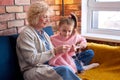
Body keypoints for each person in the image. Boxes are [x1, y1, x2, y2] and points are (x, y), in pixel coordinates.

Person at [16, 1, 81, 80]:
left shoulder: (44, 34)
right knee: (65, 70)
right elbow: (32, 60)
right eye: (45, 17)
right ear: (35, 16)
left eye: (48, 17)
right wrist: (55, 51)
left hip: (47, 66)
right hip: (33, 70)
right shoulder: (26, 34)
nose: (48, 20)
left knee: (67, 67)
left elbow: (51, 56)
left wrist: (67, 51)